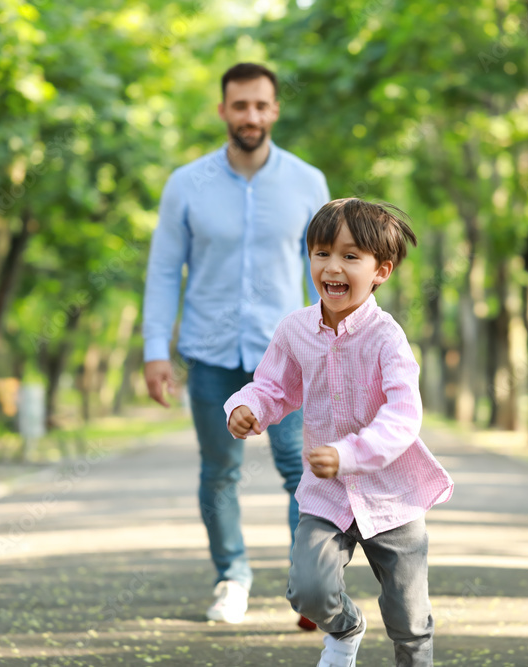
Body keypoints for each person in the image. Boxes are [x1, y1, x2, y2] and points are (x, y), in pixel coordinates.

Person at [224, 198, 454, 667]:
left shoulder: (387, 338)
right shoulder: (295, 330)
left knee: (409, 618)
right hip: (327, 494)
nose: (333, 266)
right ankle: (346, 627)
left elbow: (403, 417)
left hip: (392, 496)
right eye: (322, 252)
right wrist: (248, 407)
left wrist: (350, 454)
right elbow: (273, 386)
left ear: (381, 271)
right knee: (309, 589)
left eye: (351, 256)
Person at [142, 63, 329, 627]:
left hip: (289, 355)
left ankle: (310, 584)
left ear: (274, 110)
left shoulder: (307, 182)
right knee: (220, 470)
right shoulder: (186, 183)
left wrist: (336, 343)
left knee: (303, 470)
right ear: (223, 110)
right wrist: (155, 347)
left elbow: (325, 271)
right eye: (240, 105)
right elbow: (162, 269)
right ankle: (232, 578)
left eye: (261, 105)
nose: (251, 116)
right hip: (211, 351)